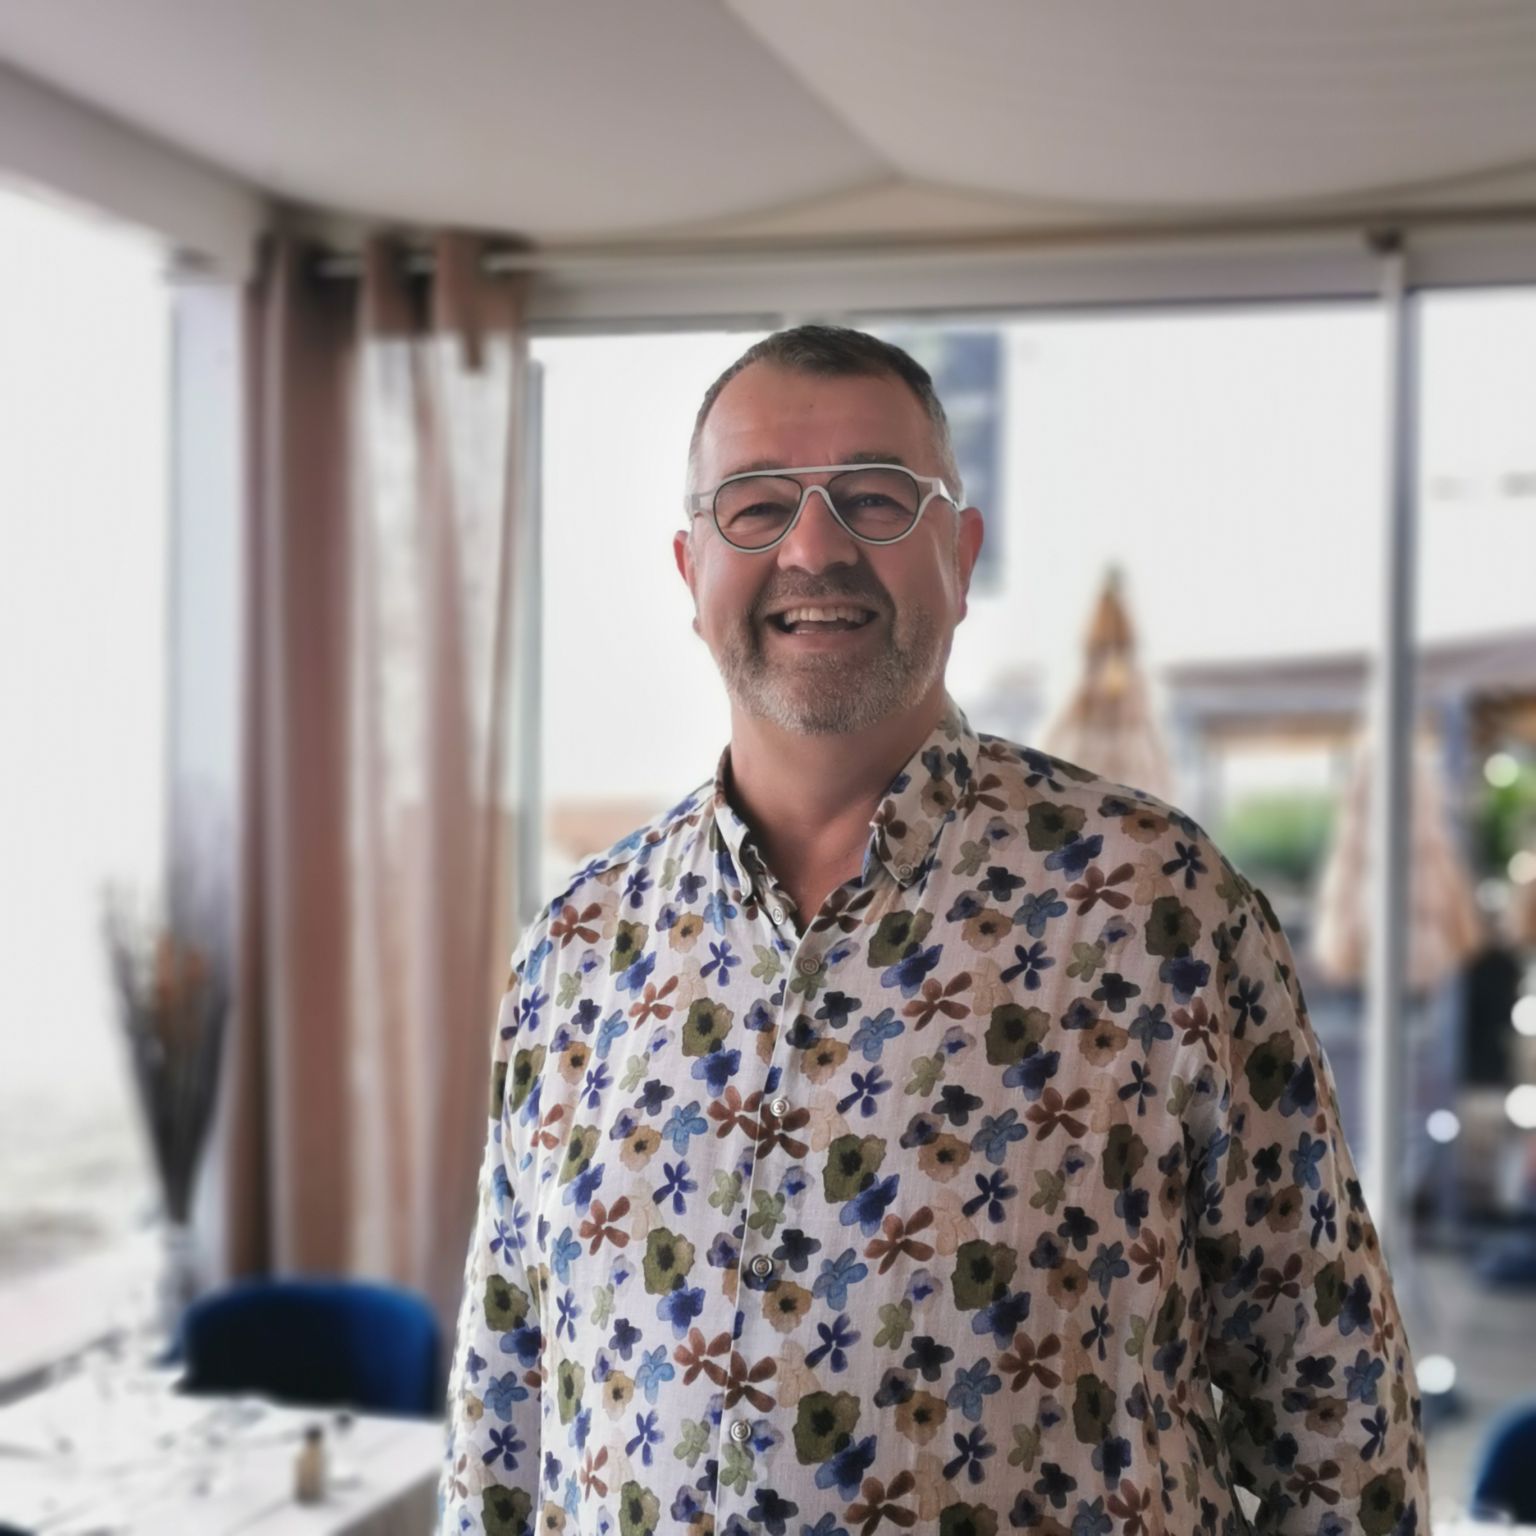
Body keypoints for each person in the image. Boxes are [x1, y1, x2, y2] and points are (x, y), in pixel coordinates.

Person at [440, 326, 1427, 1536]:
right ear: (691, 571)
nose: (814, 548)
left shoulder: (1160, 909)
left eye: (875, 497)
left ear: (959, 556)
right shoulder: (575, 953)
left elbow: (1344, 1431)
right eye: (758, 506)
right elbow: (501, 1423)